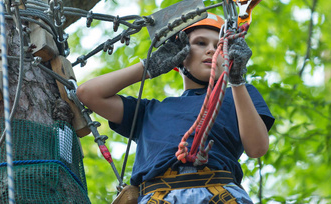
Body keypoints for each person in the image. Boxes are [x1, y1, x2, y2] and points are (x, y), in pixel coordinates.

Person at [77, 12, 275, 203]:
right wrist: (150, 66)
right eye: (200, 43)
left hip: (219, 193)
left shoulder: (238, 96)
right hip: (158, 196)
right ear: (180, 56)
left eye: (220, 46)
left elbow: (257, 148)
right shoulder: (149, 111)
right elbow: (88, 94)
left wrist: (236, 80)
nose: (212, 50)